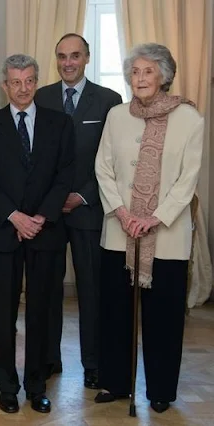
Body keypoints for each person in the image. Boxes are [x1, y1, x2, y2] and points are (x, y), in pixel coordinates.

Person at [94, 43, 203, 414]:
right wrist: (123, 213)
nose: (139, 78)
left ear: (164, 76)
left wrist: (154, 217)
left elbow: (188, 179)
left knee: (163, 317)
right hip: (119, 230)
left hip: (167, 236)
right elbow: (103, 167)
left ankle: (160, 390)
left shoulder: (190, 119)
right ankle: (116, 382)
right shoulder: (116, 115)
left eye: (147, 72)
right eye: (135, 72)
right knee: (116, 312)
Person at [0, 54, 75, 414]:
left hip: (45, 233)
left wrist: (40, 218)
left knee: (41, 311)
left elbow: (65, 175)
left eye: (29, 80)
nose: (23, 88)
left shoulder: (60, 124)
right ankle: (7, 387)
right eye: (15, 82)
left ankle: (35, 386)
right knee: (4, 313)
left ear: (36, 81)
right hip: (4, 233)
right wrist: (15, 217)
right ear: (5, 86)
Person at [34, 33, 122, 388]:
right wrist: (53, 200)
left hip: (89, 210)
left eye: (74, 56)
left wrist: (82, 196)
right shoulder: (42, 97)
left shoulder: (108, 101)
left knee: (91, 291)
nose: (68, 62)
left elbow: (111, 161)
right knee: (48, 290)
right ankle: (49, 358)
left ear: (87, 57)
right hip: (50, 215)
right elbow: (36, 157)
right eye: (61, 56)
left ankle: (93, 364)